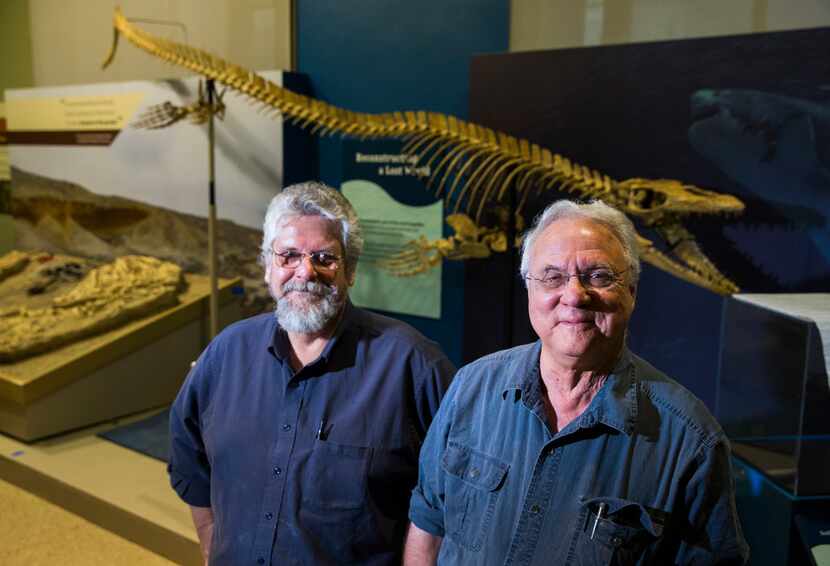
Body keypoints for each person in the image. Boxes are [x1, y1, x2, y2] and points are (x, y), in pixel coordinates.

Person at [404, 199, 749, 565]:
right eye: (552, 277)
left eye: (598, 276)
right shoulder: (470, 387)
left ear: (631, 291)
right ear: (530, 291)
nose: (574, 295)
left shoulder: (690, 441)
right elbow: (429, 526)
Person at [168, 181, 456, 565]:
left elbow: (453, 496)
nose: (306, 271)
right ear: (269, 267)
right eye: (289, 256)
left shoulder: (414, 366)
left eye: (325, 258)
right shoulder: (225, 354)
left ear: (350, 271)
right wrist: (210, 543)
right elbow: (189, 459)